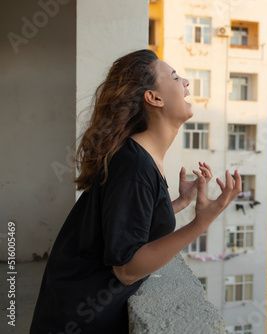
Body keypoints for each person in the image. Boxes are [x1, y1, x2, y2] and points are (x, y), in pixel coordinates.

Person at [29, 49, 241, 333]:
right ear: (154, 98)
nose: (187, 82)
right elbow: (127, 269)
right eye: (176, 77)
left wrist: (176, 203)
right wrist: (201, 222)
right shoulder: (134, 166)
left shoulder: (137, 157)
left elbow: (124, 219)